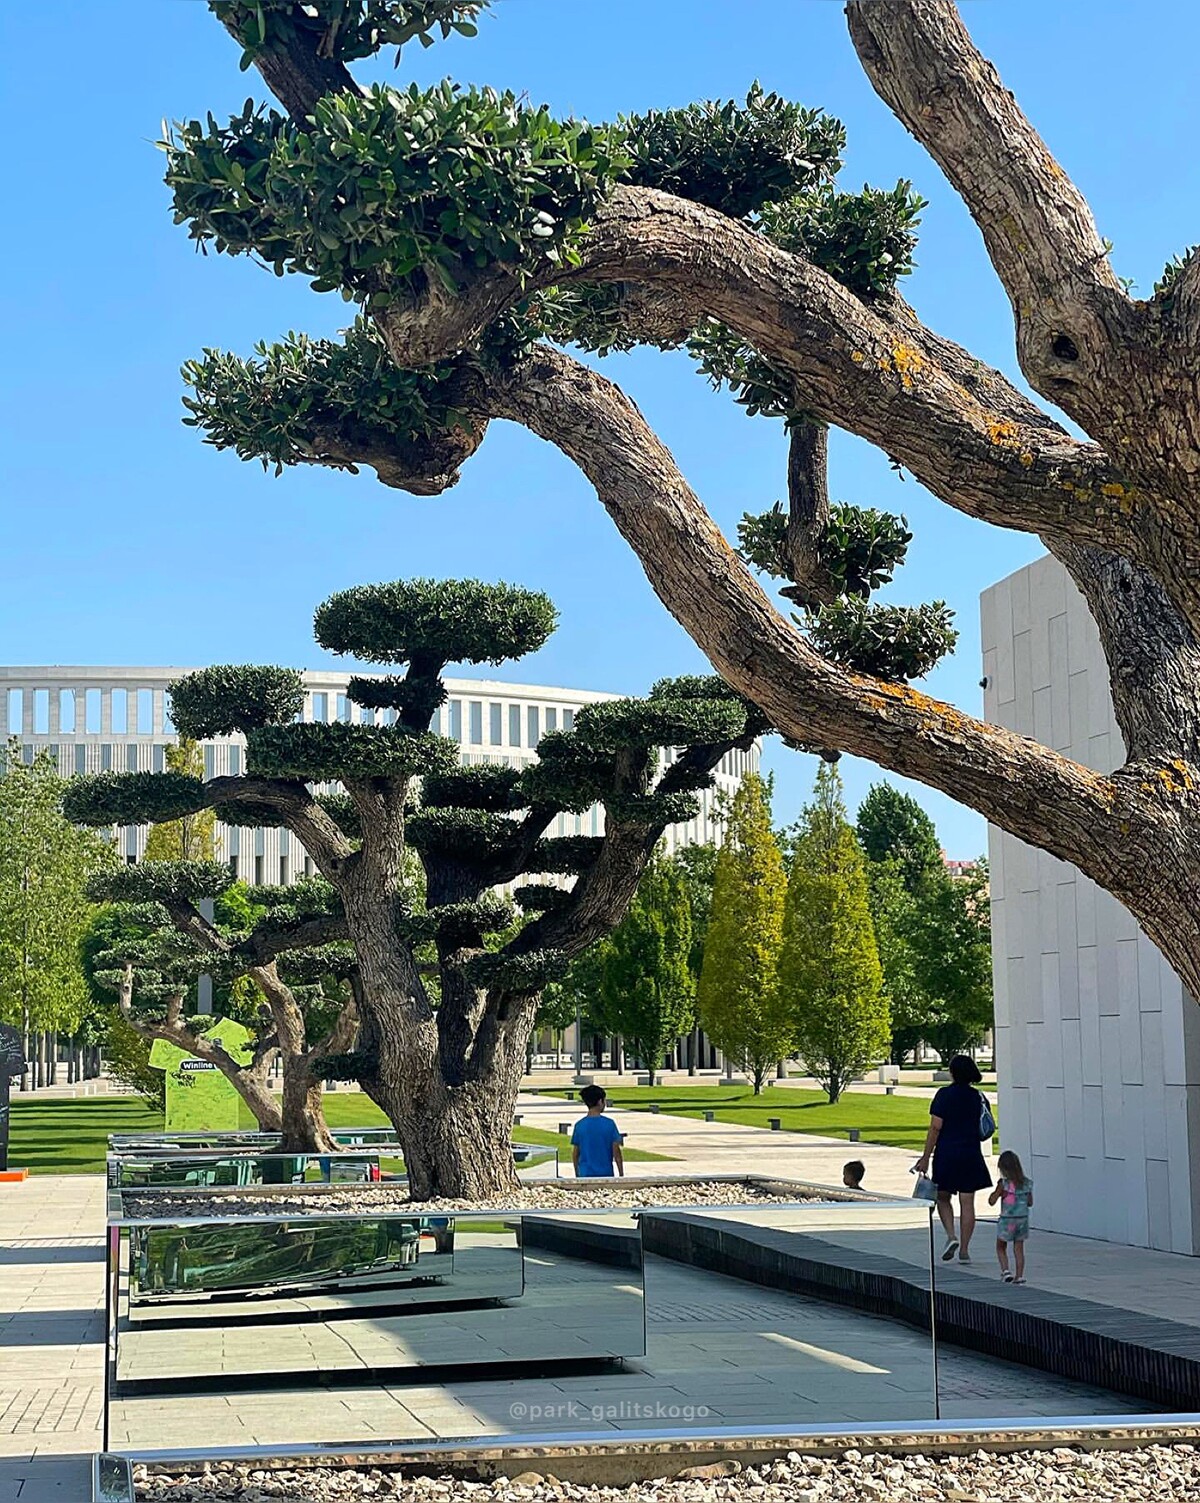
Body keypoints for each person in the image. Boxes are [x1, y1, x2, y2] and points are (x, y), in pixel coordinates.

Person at [914, 1054, 992, 1263]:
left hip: (947, 1153)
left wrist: (925, 1157)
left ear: (953, 1072)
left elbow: (935, 1127)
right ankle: (965, 1250)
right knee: (968, 1202)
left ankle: (951, 1235)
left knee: (943, 1197)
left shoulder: (944, 1095)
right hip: (971, 1153)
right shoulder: (978, 1096)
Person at [989, 1149, 1033, 1284]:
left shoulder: (1004, 1184)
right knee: (1019, 1248)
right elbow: (1030, 1202)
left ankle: (1006, 1271)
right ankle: (1019, 1275)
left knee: (1001, 1246)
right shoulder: (1027, 1183)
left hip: (1007, 1220)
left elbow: (992, 1201)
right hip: (1022, 1220)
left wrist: (997, 1193)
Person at [571, 1085, 625, 1179]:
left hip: (585, 1174)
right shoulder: (609, 1124)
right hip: (606, 1174)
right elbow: (616, 1152)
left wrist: (577, 1172)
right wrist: (621, 1174)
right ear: (600, 1101)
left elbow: (576, 1153)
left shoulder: (579, 1125)